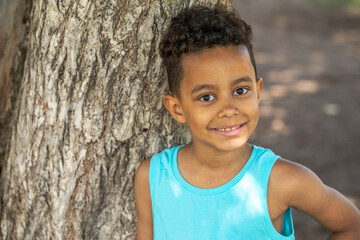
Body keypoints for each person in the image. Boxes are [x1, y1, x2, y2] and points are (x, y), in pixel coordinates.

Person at [134, 4, 360, 240]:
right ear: (177, 109)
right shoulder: (152, 178)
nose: (229, 110)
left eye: (241, 90)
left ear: (258, 91)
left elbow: (351, 225)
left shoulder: (283, 180)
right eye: (207, 97)